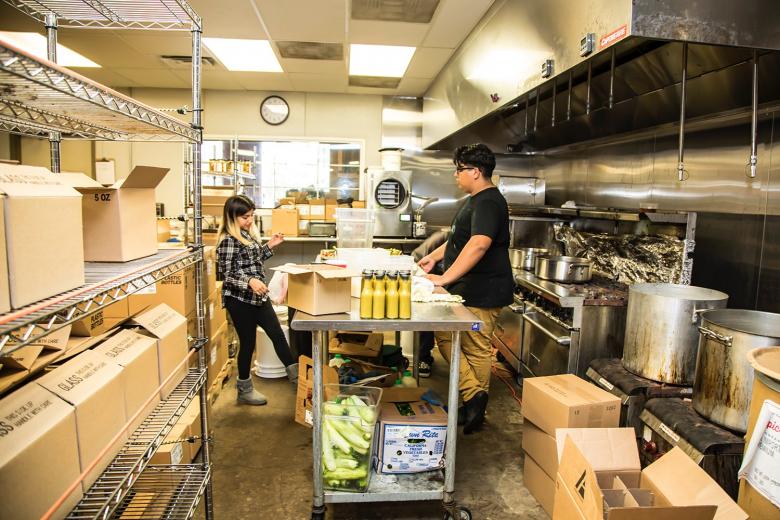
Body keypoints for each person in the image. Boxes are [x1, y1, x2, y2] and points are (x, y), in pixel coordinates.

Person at [418, 144, 512, 434]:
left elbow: (479, 244)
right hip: (469, 288)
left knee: (476, 349)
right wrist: (435, 256)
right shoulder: (475, 200)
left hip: (484, 290)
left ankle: (474, 404)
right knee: (450, 339)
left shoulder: (488, 202)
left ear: (475, 171)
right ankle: (474, 400)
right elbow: (461, 239)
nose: (455, 175)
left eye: (459, 169)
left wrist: (444, 279)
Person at [217, 195, 297, 406]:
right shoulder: (227, 240)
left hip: (258, 298)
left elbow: (253, 261)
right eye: (245, 217)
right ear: (231, 217)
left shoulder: (246, 235)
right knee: (248, 344)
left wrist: (270, 246)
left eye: (252, 215)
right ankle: (244, 390)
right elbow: (225, 275)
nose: (250, 220)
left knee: (278, 336)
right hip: (240, 301)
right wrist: (250, 281)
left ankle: (300, 383)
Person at [410, 229, 450, 377]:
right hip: (427, 279)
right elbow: (417, 259)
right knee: (426, 315)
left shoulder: (468, 240)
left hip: (445, 280)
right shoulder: (443, 236)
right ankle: (423, 357)